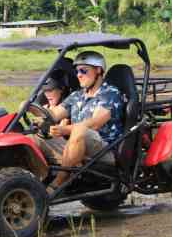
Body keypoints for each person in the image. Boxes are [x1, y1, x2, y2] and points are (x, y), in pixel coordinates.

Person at [42, 51, 124, 192]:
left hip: (104, 149)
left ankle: (58, 183)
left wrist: (66, 130)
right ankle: (34, 180)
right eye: (77, 71)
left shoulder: (110, 93)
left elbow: (96, 123)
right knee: (34, 138)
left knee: (80, 130)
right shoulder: (77, 95)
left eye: (83, 71)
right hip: (74, 145)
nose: (78, 75)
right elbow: (55, 114)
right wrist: (31, 108)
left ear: (98, 70)